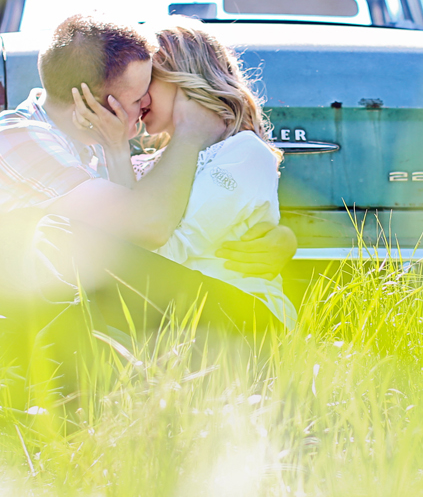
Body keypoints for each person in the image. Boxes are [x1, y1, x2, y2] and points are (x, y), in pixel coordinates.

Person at [0, 13, 297, 336]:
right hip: (9, 326)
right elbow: (143, 231)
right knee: (55, 234)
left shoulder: (99, 149)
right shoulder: (20, 142)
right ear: (93, 98)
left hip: (198, 321)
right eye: (138, 93)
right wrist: (187, 135)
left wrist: (283, 238)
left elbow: (142, 235)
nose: (144, 101)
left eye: (151, 84)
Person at [74, 21, 296, 327]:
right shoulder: (155, 163)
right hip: (178, 314)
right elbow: (131, 238)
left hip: (245, 319)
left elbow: (160, 253)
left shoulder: (244, 153)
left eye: (148, 80)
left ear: (185, 80)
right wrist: (116, 150)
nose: (137, 96)